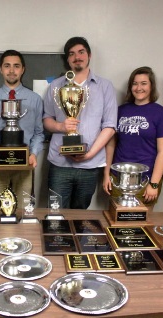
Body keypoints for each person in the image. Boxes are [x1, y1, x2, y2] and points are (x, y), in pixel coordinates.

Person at [43, 36, 117, 209]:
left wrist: (89, 154)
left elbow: (110, 126)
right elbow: (46, 119)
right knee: (56, 213)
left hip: (90, 165)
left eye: (81, 52)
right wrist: (60, 126)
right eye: (72, 54)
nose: (77, 57)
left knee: (81, 215)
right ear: (67, 59)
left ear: (89, 55)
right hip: (59, 163)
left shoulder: (105, 86)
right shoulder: (55, 86)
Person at [0, 50, 44, 208]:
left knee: (23, 210)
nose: (12, 70)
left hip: (25, 163)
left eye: (16, 66)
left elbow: (39, 133)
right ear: (1, 69)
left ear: (23, 69)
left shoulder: (35, 99)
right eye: (7, 66)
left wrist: (34, 154)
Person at [102, 67, 163, 212]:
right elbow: (110, 145)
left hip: (145, 181)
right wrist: (106, 174)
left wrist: (153, 184)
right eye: (135, 83)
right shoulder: (120, 111)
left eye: (144, 83)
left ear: (151, 86)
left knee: (140, 227)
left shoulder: (161, 114)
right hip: (117, 179)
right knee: (115, 223)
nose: (139, 87)